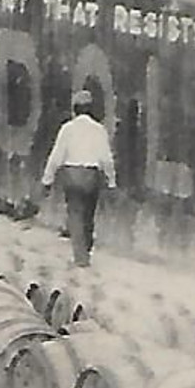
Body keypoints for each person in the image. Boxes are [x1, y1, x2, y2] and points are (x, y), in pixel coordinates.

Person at [41, 89, 116, 267]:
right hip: (92, 175)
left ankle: (80, 257)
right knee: (88, 214)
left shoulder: (67, 129)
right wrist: (111, 181)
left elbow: (56, 156)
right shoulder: (99, 130)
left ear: (75, 109)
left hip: (72, 173)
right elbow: (107, 158)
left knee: (75, 213)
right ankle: (87, 247)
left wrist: (47, 180)